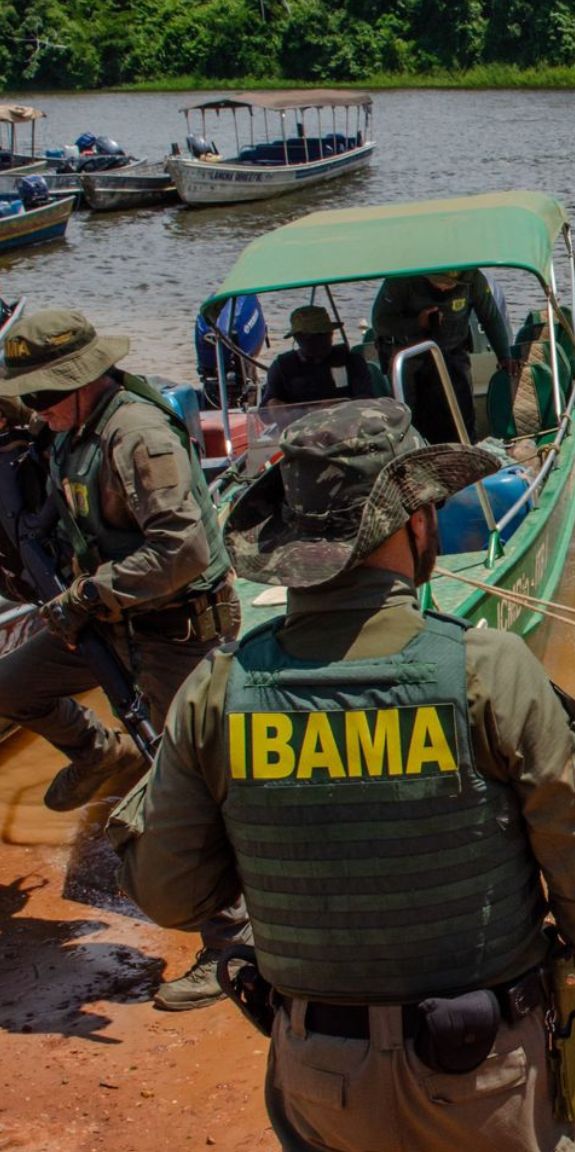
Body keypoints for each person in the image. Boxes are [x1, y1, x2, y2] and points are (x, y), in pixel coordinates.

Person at [111, 399, 575, 1152]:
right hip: (488, 1076)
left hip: (321, 1080)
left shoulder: (217, 691)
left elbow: (170, 893)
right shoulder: (486, 671)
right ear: (416, 524)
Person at [0, 309, 250, 1012]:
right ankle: (97, 752)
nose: (37, 410)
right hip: (105, 622)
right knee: (11, 685)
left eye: (46, 396)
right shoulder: (66, 432)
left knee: (194, 789)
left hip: (174, 633)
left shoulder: (135, 435)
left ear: (85, 380)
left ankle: (231, 945)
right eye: (30, 398)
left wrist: (89, 596)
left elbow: (185, 551)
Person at [370, 269, 519, 446]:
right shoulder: (401, 280)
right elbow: (380, 322)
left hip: (453, 352)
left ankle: (465, 451)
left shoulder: (474, 280)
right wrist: (417, 323)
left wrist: (504, 356)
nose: (443, 289)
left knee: (461, 416)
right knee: (413, 419)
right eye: (439, 283)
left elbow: (491, 318)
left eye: (449, 284)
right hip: (410, 357)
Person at [260, 305, 380, 409]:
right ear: (298, 338)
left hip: (346, 424)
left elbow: (366, 398)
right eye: (313, 337)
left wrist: (339, 405)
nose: (321, 340)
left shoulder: (351, 361)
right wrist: (275, 407)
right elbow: (265, 412)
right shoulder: (283, 366)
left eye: (325, 334)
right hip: (299, 428)